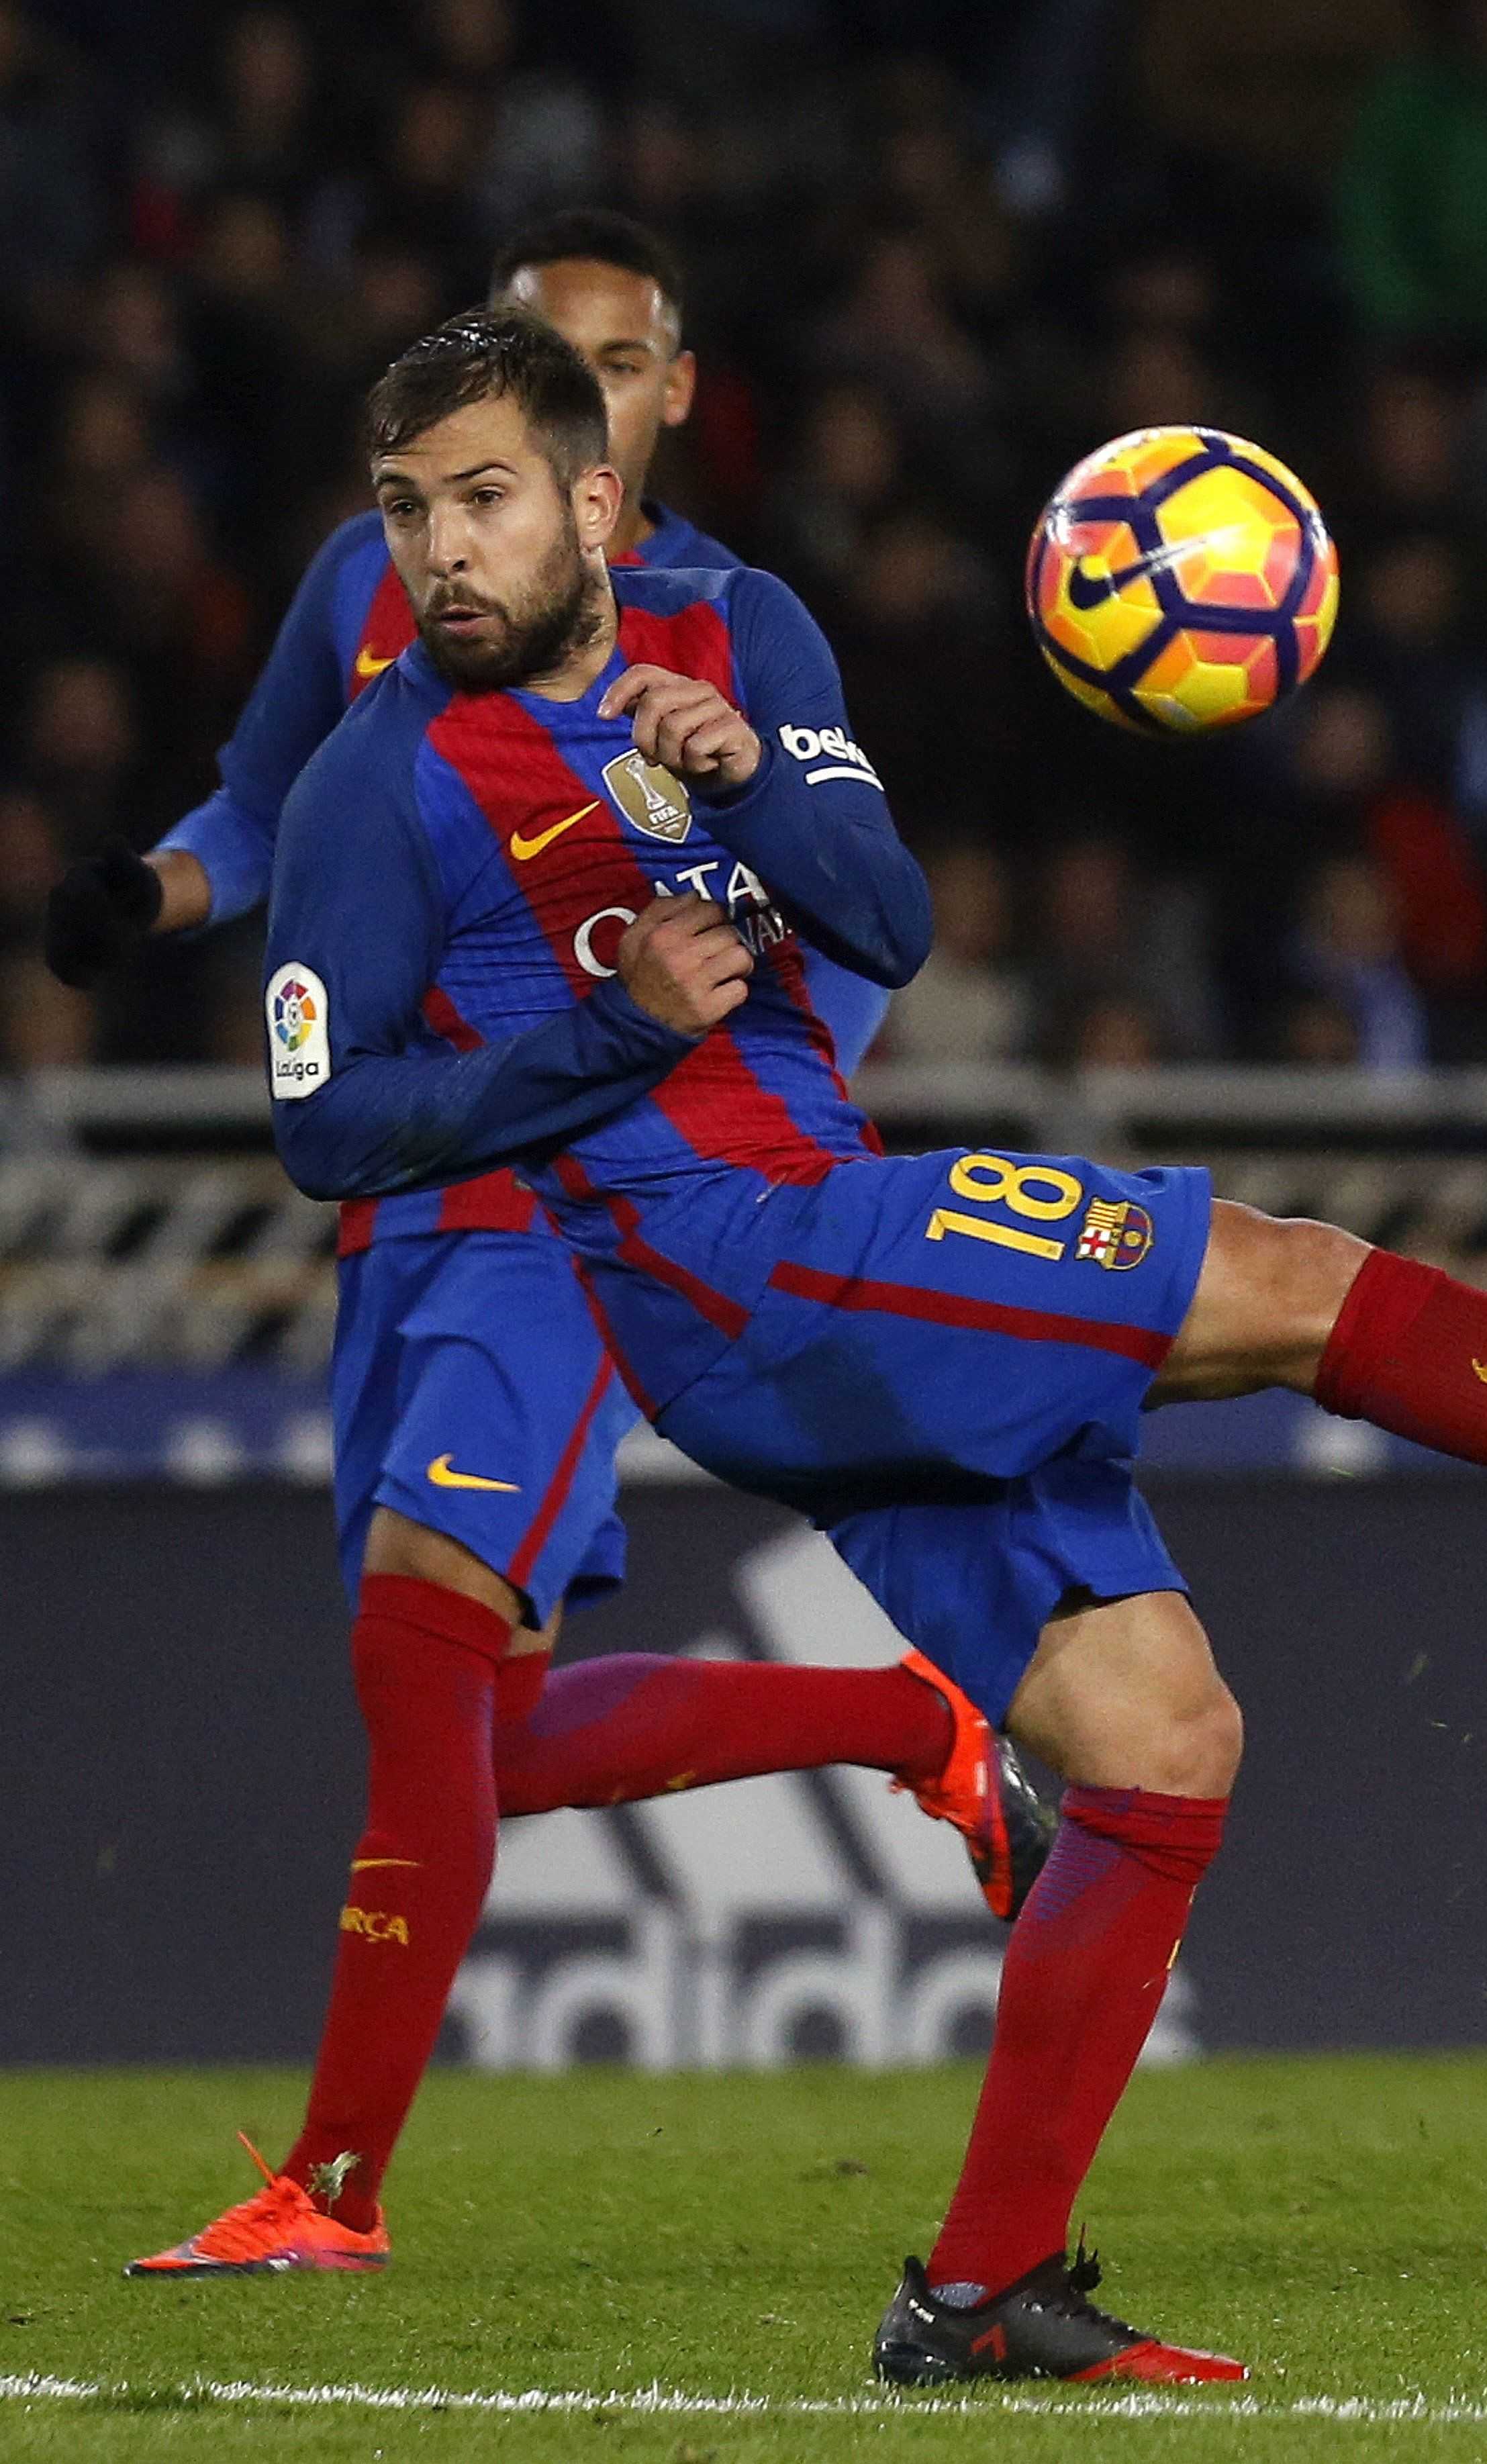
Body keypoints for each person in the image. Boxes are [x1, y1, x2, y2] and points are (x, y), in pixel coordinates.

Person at [252, 305, 1487, 2381]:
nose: (441, 555)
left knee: (1156, 1735)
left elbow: (886, 916)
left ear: (589, 498)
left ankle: (984, 2293)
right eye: (406, 513)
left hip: (814, 1271)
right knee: (1293, 1279)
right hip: (748, 1259)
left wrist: (744, 780)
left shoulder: (736, 657)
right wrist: (612, 1034)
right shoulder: (374, 783)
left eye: (481, 500)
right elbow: (329, 1126)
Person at [76, 217, 1056, 2285]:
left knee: (425, 1627)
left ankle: (332, 2191)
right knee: (468, 1730)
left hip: (584, 1186)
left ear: (660, 411)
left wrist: (733, 1108)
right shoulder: (379, 602)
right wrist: (150, 900)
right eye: (542, 356)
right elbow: (268, 816)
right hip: (414, 1180)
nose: (575, 391)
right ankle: (922, 1731)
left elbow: (840, 922)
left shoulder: (732, 630)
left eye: (614, 364)